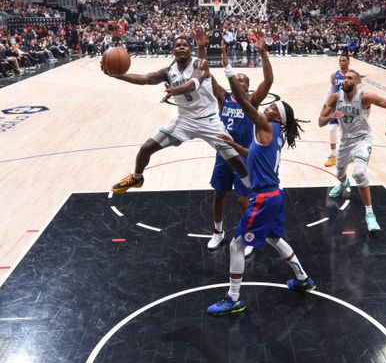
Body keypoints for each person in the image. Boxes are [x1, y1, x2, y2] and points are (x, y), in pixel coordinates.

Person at [207, 57, 314, 315]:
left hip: (264, 197)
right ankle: (303, 280)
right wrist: (234, 146)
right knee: (275, 238)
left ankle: (234, 299)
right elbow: (253, 153)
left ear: (277, 115)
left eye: (272, 107)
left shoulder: (266, 125)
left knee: (236, 246)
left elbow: (244, 102)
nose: (267, 107)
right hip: (275, 194)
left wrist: (229, 70)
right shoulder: (272, 133)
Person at [105, 31, 248, 193]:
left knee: (236, 161)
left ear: (190, 49)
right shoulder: (168, 72)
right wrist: (117, 75)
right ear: (173, 50)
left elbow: (194, 83)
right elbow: (145, 79)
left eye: (185, 46)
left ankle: (254, 186)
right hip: (184, 121)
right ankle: (137, 179)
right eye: (178, 46)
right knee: (146, 148)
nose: (181, 48)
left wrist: (175, 90)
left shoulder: (200, 64)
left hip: (209, 121)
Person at [207, 33, 274, 255]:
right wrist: (210, 52)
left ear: (248, 86)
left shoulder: (252, 101)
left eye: (243, 79)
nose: (239, 80)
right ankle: (218, 231)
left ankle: (248, 235)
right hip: (223, 154)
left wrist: (263, 53)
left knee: (244, 199)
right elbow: (207, 75)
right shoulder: (223, 97)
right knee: (219, 193)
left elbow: (269, 81)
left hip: (245, 156)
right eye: (237, 78)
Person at [319, 70, 386, 232]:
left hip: (363, 139)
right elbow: (320, 121)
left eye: (350, 78)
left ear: (356, 82)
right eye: (344, 78)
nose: (345, 81)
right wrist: (331, 116)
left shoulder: (364, 97)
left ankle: (370, 214)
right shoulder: (335, 97)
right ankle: (343, 184)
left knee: (359, 173)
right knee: (340, 173)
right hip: (345, 142)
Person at [323, 54, 350, 168]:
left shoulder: (353, 75)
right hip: (335, 106)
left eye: (344, 60)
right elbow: (331, 90)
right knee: (332, 129)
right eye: (340, 60)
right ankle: (333, 155)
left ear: (349, 61)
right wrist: (325, 104)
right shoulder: (334, 75)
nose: (341, 62)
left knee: (346, 132)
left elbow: (358, 91)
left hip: (348, 107)